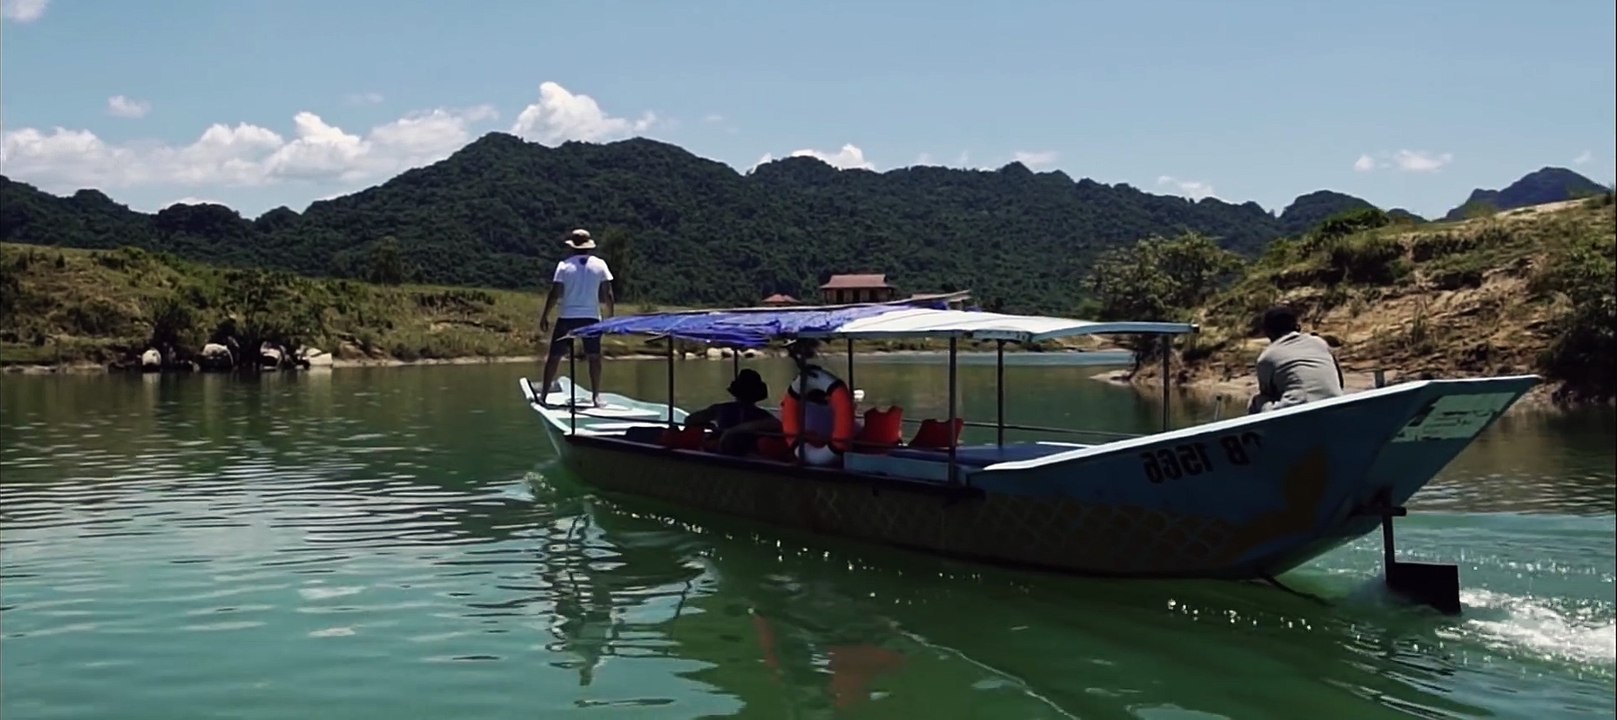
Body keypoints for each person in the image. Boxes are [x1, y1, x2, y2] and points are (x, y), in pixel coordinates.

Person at [539, 229, 615, 407]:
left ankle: (544, 395)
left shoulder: (564, 265)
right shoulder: (600, 265)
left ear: (572, 247)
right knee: (594, 356)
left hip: (567, 317)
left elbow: (555, 293)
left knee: (555, 356)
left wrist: (545, 315)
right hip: (591, 317)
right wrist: (610, 317)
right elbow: (608, 294)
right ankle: (596, 396)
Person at [1247, 305, 1345, 414]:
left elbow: (1267, 393)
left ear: (1268, 331)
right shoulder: (1319, 343)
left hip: (1295, 413)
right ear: (1297, 326)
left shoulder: (1267, 357)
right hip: (1335, 406)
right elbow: (1339, 381)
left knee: (1257, 400)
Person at [681, 369, 782, 455]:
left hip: (723, 451)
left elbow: (689, 420)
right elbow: (778, 427)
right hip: (747, 454)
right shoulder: (762, 416)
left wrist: (710, 426)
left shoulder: (720, 409)